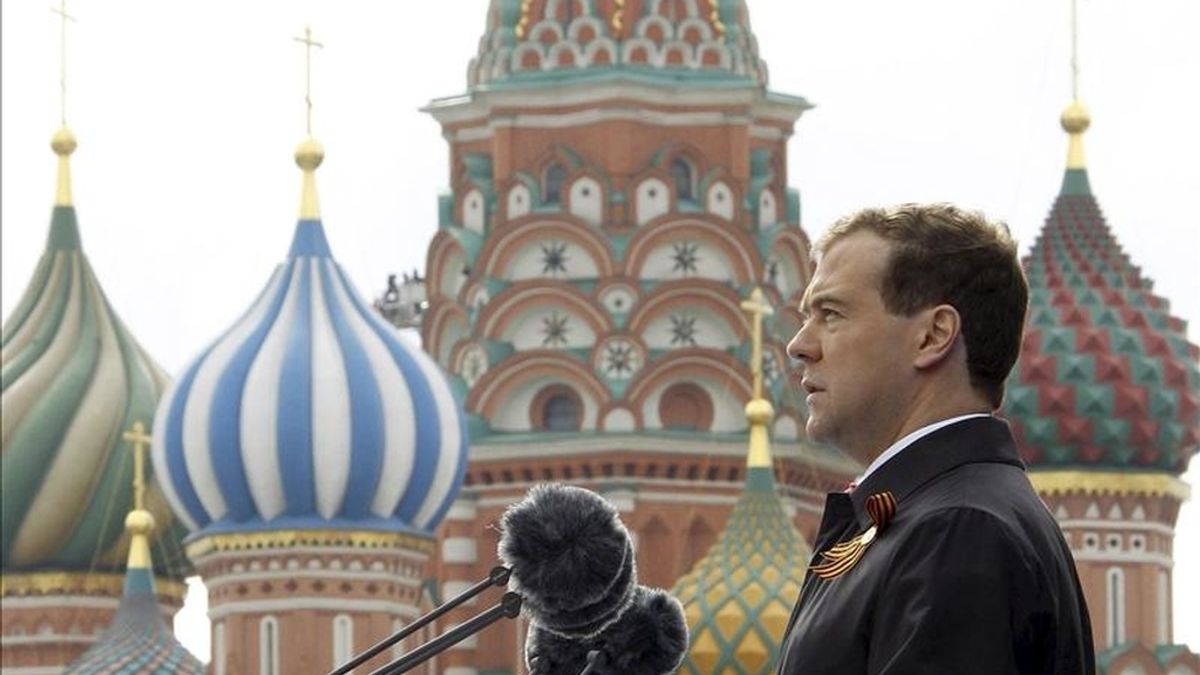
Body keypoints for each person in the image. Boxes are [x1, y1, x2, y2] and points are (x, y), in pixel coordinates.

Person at [778, 204, 1094, 674]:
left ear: (933, 336)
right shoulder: (924, 519)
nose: (799, 345)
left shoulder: (956, 530)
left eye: (831, 313)